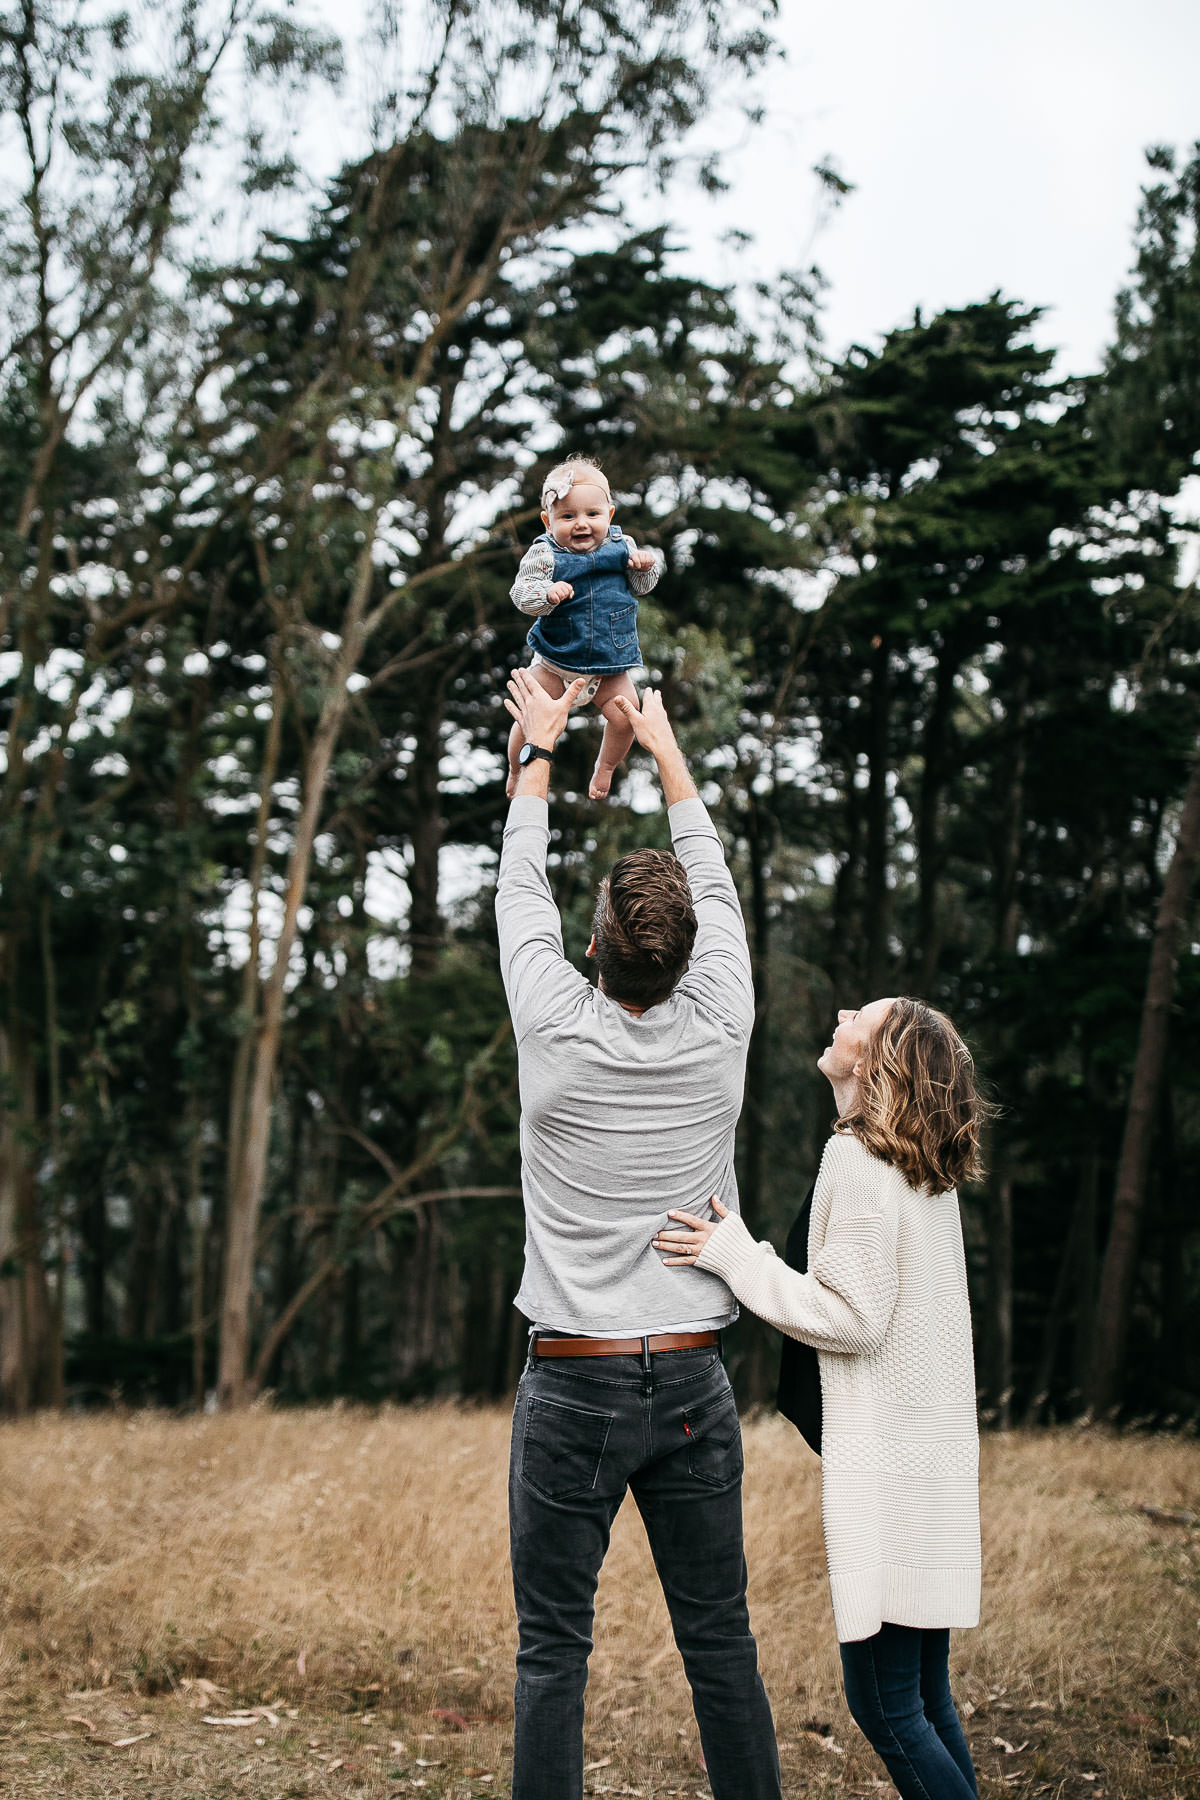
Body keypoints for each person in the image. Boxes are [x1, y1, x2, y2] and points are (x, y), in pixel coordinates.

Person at [495, 667, 782, 1800]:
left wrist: (540, 746)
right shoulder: (724, 1022)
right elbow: (708, 881)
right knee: (723, 1647)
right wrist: (660, 747)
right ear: (684, 953)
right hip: (693, 1387)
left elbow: (521, 883)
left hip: (572, 1384)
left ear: (597, 944)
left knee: (552, 1655)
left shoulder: (553, 1027)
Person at [653, 996, 986, 1800]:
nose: (838, 1013)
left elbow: (851, 1316)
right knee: (923, 1696)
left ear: (876, 1061)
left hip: (898, 1472)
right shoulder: (918, 1168)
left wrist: (735, 1254)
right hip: (932, 1463)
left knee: (884, 1704)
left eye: (859, 1017)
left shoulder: (861, 1163)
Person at [507, 455, 664, 802]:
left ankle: (605, 767)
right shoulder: (545, 554)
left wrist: (644, 566)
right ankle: (517, 768)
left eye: (592, 515)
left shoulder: (624, 547)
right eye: (567, 516)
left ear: (608, 515)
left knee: (627, 718)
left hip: (609, 666)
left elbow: (643, 585)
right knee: (528, 715)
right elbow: (520, 592)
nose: (581, 524)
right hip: (555, 662)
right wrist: (545, 594)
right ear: (548, 521)